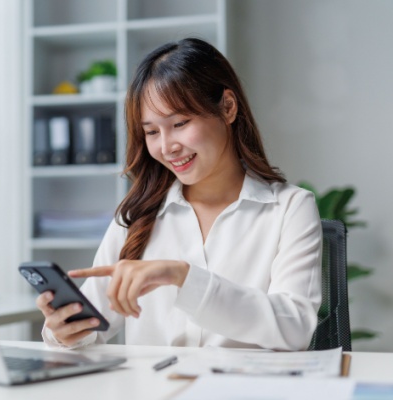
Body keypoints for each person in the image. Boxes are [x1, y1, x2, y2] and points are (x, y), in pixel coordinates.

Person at [35, 38, 322, 351]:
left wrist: (184, 277)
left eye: (180, 123)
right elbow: (88, 328)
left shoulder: (290, 208)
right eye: (152, 132)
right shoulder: (136, 216)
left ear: (227, 107)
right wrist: (61, 331)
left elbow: (295, 328)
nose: (167, 146)